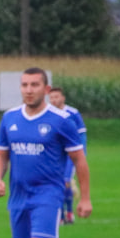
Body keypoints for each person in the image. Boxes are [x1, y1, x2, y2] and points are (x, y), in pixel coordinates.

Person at [0, 68, 92, 238]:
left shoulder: (61, 120)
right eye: (25, 84)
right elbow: (2, 153)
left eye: (34, 84)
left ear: (46, 90)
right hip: (18, 196)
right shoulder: (10, 119)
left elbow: (79, 159)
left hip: (48, 194)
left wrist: (85, 198)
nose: (28, 89)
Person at [47, 87, 87, 225]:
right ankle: (61, 215)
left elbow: (82, 135)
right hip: (55, 156)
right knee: (56, 183)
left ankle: (68, 213)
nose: (54, 100)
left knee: (66, 181)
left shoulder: (73, 113)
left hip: (70, 156)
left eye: (57, 97)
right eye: (51, 97)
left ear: (63, 98)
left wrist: (82, 152)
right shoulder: (47, 114)